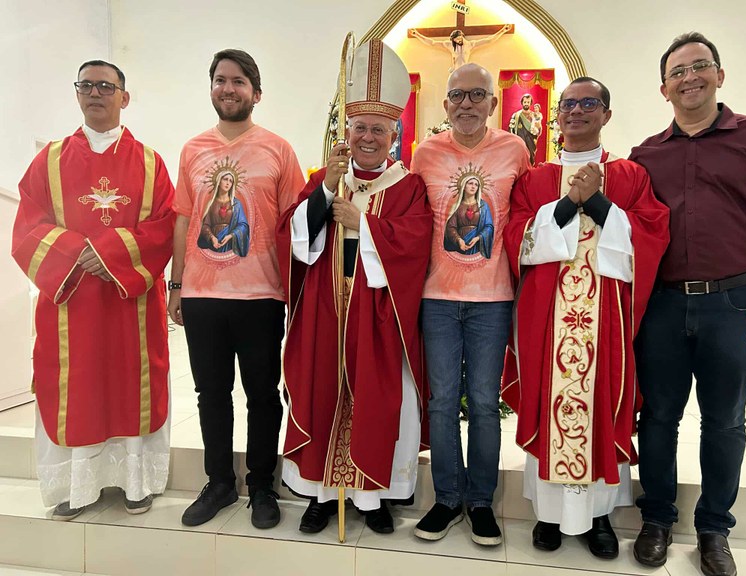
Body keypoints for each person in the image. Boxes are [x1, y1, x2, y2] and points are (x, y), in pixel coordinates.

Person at [503, 77, 669, 558]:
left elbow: (652, 236)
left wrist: (597, 203)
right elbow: (517, 237)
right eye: (569, 104)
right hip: (547, 316)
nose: (577, 111)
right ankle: (548, 517)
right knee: (547, 402)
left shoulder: (629, 176)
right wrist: (566, 204)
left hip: (606, 320)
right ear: (557, 116)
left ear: (606, 115)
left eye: (589, 103)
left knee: (601, 403)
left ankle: (598, 517)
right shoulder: (534, 179)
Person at [277, 39, 433, 535]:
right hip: (327, 310)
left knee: (378, 401)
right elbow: (292, 238)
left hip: (378, 315)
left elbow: (415, 245)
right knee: (322, 394)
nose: (368, 137)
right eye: (359, 127)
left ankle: (372, 497)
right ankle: (321, 494)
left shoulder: (407, 186)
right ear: (347, 132)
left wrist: (363, 222)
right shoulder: (325, 178)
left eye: (378, 129)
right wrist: (326, 196)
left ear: (394, 134)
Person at [629, 32, 746, 576]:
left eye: (700, 66)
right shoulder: (645, 155)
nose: (690, 77)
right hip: (662, 304)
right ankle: (658, 518)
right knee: (659, 417)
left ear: (720, 75)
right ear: (664, 89)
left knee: (726, 421)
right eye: (678, 72)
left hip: (734, 302)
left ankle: (714, 529)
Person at [11, 60, 175, 520]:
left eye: (107, 85)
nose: (95, 92)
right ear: (77, 94)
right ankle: (74, 487)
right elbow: (26, 228)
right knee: (75, 386)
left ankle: (134, 482)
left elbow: (165, 226)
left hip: (130, 303)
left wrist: (107, 253)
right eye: (86, 85)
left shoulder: (149, 161)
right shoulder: (50, 160)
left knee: (129, 384)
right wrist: (73, 255)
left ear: (125, 97)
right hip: (72, 301)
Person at [169, 49, 304, 529]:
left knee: (263, 395)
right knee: (211, 394)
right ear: (211, 88)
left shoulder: (278, 149)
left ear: (256, 92)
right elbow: (184, 218)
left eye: (239, 81)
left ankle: (263, 484)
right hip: (204, 294)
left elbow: (296, 225)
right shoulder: (193, 149)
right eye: (220, 80)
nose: (229, 88)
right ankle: (220, 483)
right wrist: (177, 285)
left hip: (261, 294)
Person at [410, 62, 530, 546]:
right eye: (458, 96)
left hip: (492, 298)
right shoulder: (426, 154)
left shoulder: (515, 150)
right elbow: (412, 220)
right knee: (441, 403)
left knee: (483, 402)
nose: (466, 104)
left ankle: (480, 502)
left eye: (477, 95)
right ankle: (445, 498)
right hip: (437, 297)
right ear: (445, 105)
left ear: (493, 104)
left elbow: (525, 217)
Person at [409, 25, 511, 72]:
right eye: (456, 40)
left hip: (465, 71)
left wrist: (502, 31)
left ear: (462, 36)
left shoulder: (470, 45)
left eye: (459, 39)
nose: (458, 41)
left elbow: (488, 40)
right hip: (455, 71)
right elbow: (432, 43)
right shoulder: (449, 45)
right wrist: (417, 34)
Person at [197, 170, 250, 256]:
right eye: (225, 179)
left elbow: (243, 225)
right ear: (219, 181)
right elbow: (205, 225)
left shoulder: (236, 204)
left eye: (231, 181)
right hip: (214, 243)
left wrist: (231, 236)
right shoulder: (211, 203)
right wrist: (212, 237)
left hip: (230, 243)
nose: (228, 183)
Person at [443, 174, 494, 258]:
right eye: (470, 183)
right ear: (464, 186)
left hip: (477, 244)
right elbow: (450, 227)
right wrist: (459, 240)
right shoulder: (457, 206)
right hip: (460, 245)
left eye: (476, 184)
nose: (473, 186)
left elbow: (489, 226)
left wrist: (478, 238)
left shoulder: (483, 206)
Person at [509, 94, 538, 165]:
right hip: (520, 142)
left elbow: (538, 130)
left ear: (530, 103)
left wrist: (536, 129)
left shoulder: (534, 115)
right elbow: (511, 129)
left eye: (528, 102)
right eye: (525, 102)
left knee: (530, 158)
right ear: (522, 103)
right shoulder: (516, 115)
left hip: (530, 141)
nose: (526, 104)